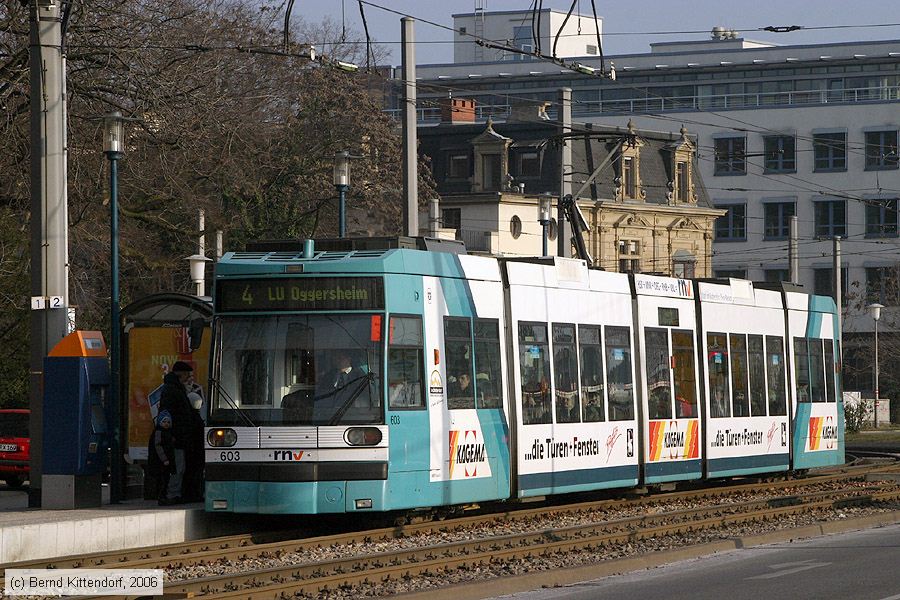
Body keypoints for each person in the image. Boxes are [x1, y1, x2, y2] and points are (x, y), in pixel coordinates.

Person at [158, 361, 201, 503]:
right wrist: (172, 435)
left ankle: (175, 494)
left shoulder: (174, 389)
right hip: (176, 438)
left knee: (180, 467)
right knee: (177, 467)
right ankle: (172, 495)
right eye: (187, 375)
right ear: (180, 374)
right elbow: (169, 414)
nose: (189, 378)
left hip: (179, 437)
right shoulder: (173, 390)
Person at [146, 410, 177, 505]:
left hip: (166, 461)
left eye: (168, 422)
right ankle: (161, 497)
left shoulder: (167, 433)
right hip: (161, 462)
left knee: (165, 480)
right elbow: (158, 446)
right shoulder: (159, 432)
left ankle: (163, 497)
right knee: (162, 480)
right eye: (164, 422)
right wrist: (164, 459)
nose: (166, 424)